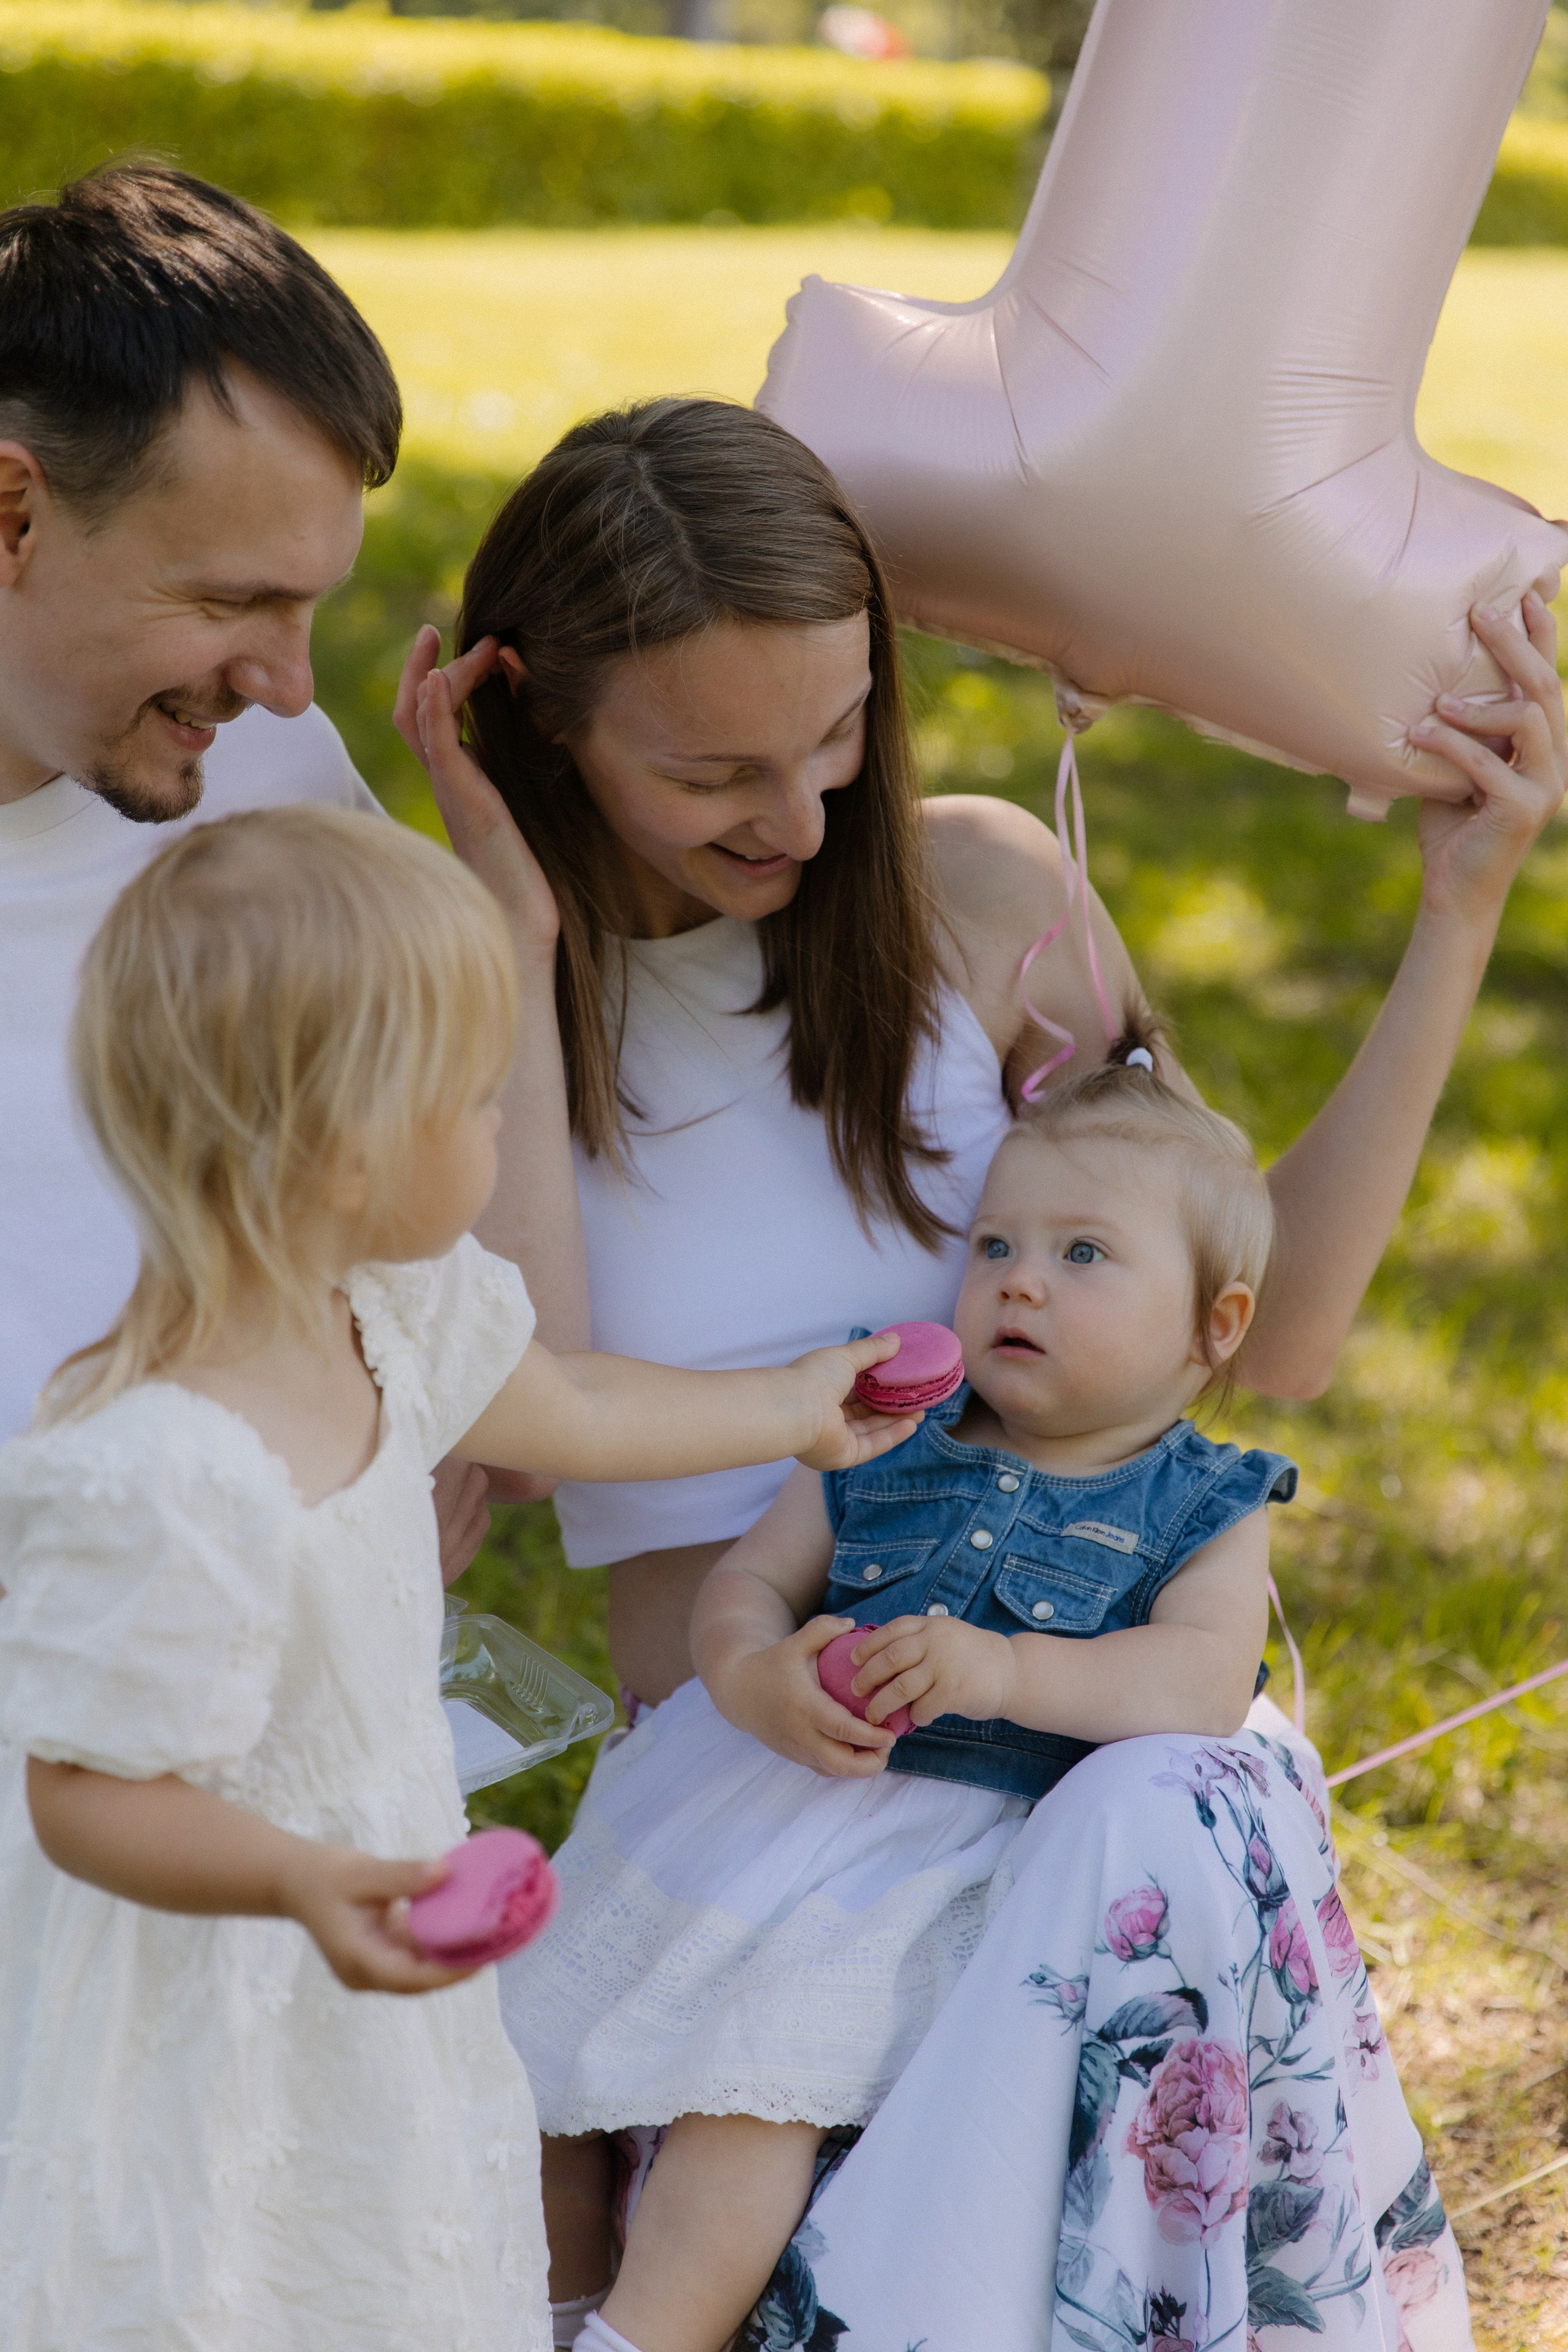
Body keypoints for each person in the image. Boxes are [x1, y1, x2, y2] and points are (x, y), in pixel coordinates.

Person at [398, 396, 1565, 2345]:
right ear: (541, 728)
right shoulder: (469, 992)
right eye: (714, 770)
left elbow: (1261, 1325)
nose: (801, 814)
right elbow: (533, 1398)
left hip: (1085, 1780)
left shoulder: (982, 901)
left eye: (841, 732)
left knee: (1146, 1837)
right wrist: (513, 944)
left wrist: (1460, 906)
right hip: (765, 1818)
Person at [0, 805, 914, 2352]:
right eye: (479, 1102)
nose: (506, 1134)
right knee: (236, 2286)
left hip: (385, 1923)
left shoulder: (388, 1309)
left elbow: (571, 1405)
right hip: (219, 1985)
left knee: (391, 2264)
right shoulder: (154, 1466)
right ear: (351, 1149)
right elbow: (84, 1794)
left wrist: (790, 1406)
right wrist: (304, 1881)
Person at [505, 1049, 1300, 2352]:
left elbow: (1202, 1681)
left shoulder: (1203, 1504)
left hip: (931, 1862)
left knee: (751, 2091)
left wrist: (1008, 1672)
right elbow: (747, 1583)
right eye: (994, 1243)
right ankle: (533, 2304)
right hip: (749, 1797)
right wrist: (753, 1675)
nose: (1018, 1279)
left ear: (1213, 1325)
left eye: (1083, 1255)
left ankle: (642, 2337)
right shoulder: (885, 1433)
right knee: (533, 2056)